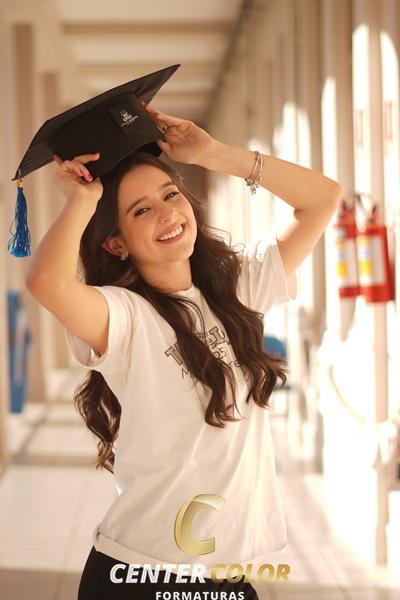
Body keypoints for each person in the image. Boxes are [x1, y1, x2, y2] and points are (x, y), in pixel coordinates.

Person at [25, 102, 342, 599]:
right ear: (116, 244)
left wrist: (215, 154)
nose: (168, 213)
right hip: (141, 574)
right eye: (141, 210)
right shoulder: (124, 316)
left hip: (225, 575)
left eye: (171, 194)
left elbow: (323, 199)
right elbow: (47, 283)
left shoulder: (238, 287)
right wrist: (84, 201)